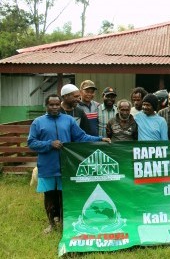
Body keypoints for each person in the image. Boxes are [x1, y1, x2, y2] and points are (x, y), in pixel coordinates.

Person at [27, 94, 111, 234]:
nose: (54, 107)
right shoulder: (38, 122)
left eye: (56, 104)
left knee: (63, 195)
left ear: (60, 104)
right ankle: (51, 225)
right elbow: (31, 142)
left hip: (66, 166)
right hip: (47, 166)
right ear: (46, 106)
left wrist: (99, 138)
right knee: (49, 195)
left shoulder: (68, 120)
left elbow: (81, 137)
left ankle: (64, 222)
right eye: (51, 105)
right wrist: (49, 144)